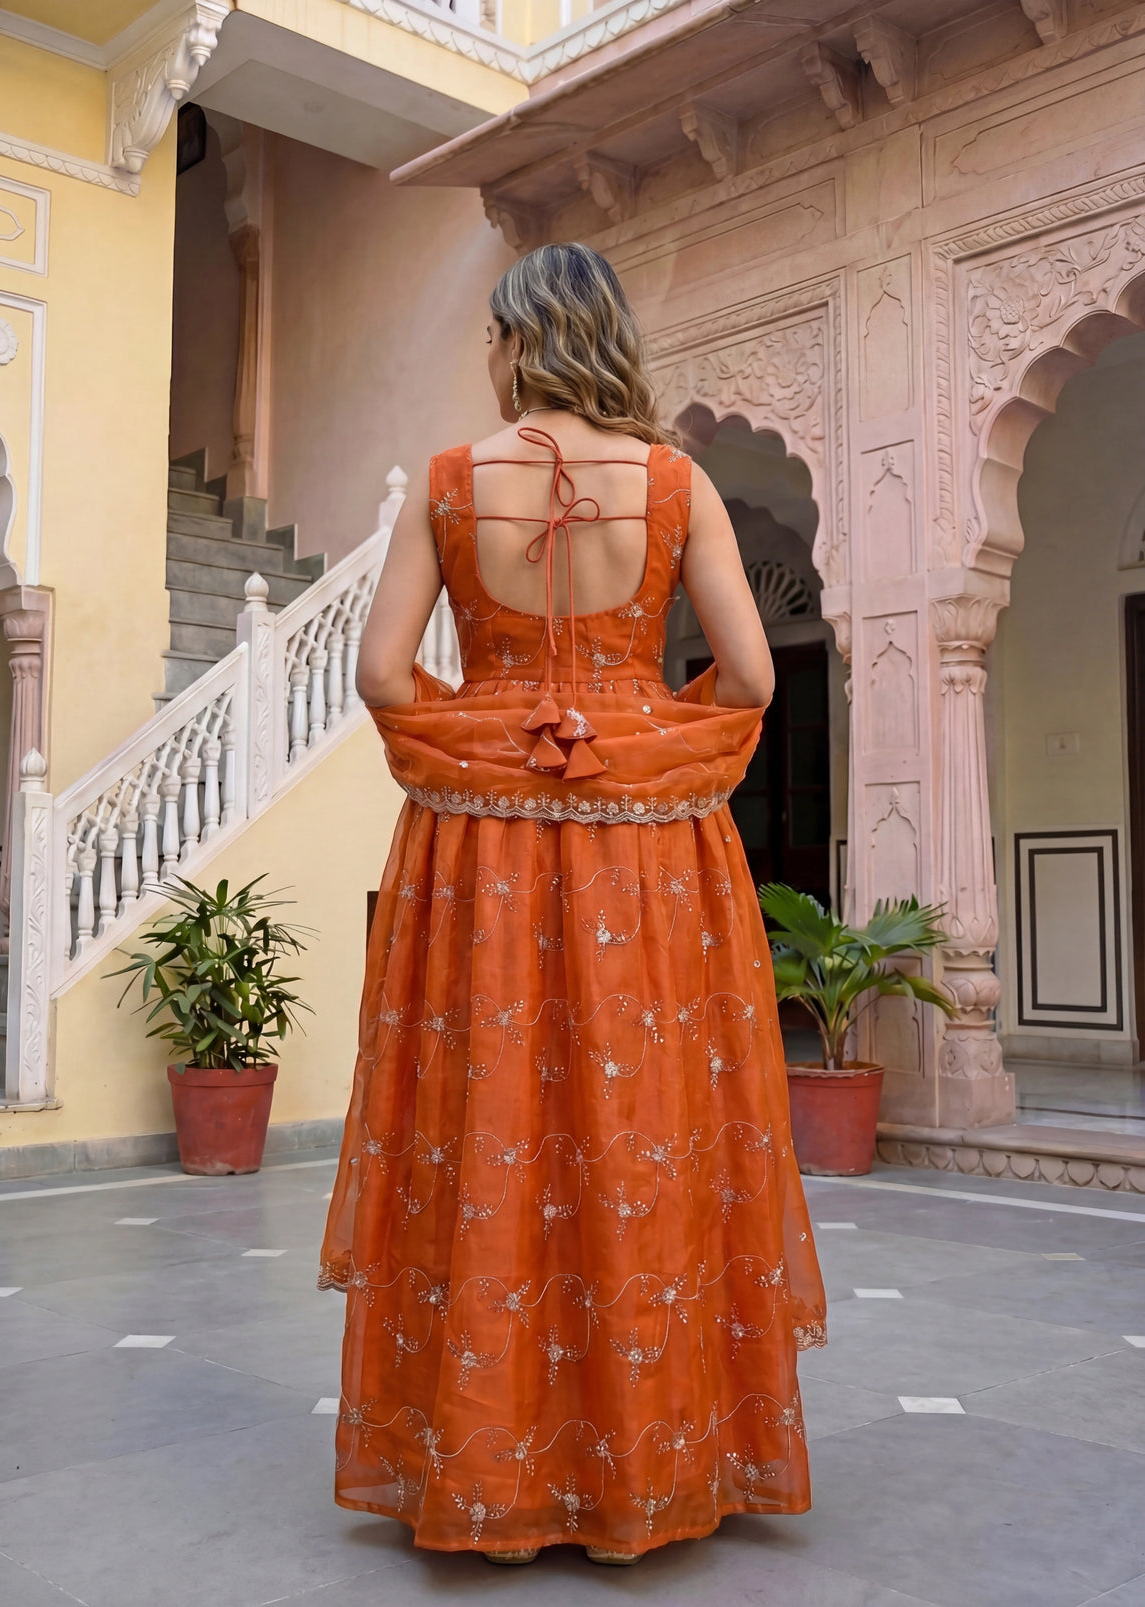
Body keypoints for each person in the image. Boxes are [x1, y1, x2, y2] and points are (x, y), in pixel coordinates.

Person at [319, 242, 826, 1564]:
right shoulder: (673, 482)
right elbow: (756, 679)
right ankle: (648, 1455)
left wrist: (483, 736)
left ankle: (487, 1461)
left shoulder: (447, 485)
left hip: (478, 852)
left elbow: (381, 676)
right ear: (606, 338)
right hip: (644, 857)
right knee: (638, 1120)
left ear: (512, 339)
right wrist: (642, 739)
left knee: (488, 1121)